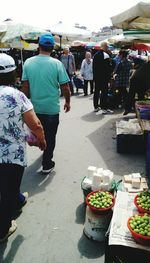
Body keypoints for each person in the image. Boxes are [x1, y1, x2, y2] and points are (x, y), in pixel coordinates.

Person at [0, 53, 46, 242]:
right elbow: (35, 125)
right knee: (8, 193)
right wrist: (41, 140)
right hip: (11, 156)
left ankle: (18, 199)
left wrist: (26, 136)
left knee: (7, 188)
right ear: (13, 74)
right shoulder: (17, 96)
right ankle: (3, 230)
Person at [21, 33, 71, 174]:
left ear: (39, 46)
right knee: (50, 135)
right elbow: (65, 87)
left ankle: (44, 151)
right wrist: (67, 101)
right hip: (51, 109)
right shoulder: (57, 64)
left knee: (37, 133)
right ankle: (47, 163)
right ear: (52, 48)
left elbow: (25, 87)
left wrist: (23, 106)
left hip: (34, 109)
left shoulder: (28, 62)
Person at [93, 42, 113, 114]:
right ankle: (104, 107)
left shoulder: (95, 55)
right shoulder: (106, 55)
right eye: (107, 47)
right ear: (104, 47)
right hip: (104, 77)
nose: (108, 48)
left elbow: (94, 67)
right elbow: (108, 68)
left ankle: (96, 107)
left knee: (97, 92)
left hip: (96, 77)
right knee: (104, 92)